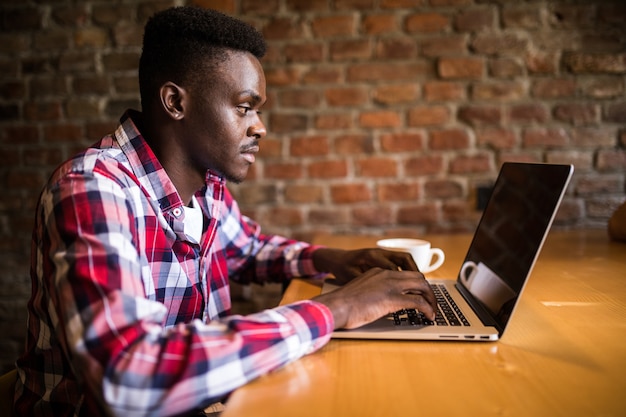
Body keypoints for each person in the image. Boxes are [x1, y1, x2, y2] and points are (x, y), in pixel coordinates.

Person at [14, 6, 436, 417]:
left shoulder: (205, 186)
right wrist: (338, 309)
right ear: (175, 102)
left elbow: (248, 249)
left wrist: (335, 259)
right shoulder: (93, 190)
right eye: (244, 107)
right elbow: (127, 377)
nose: (260, 127)